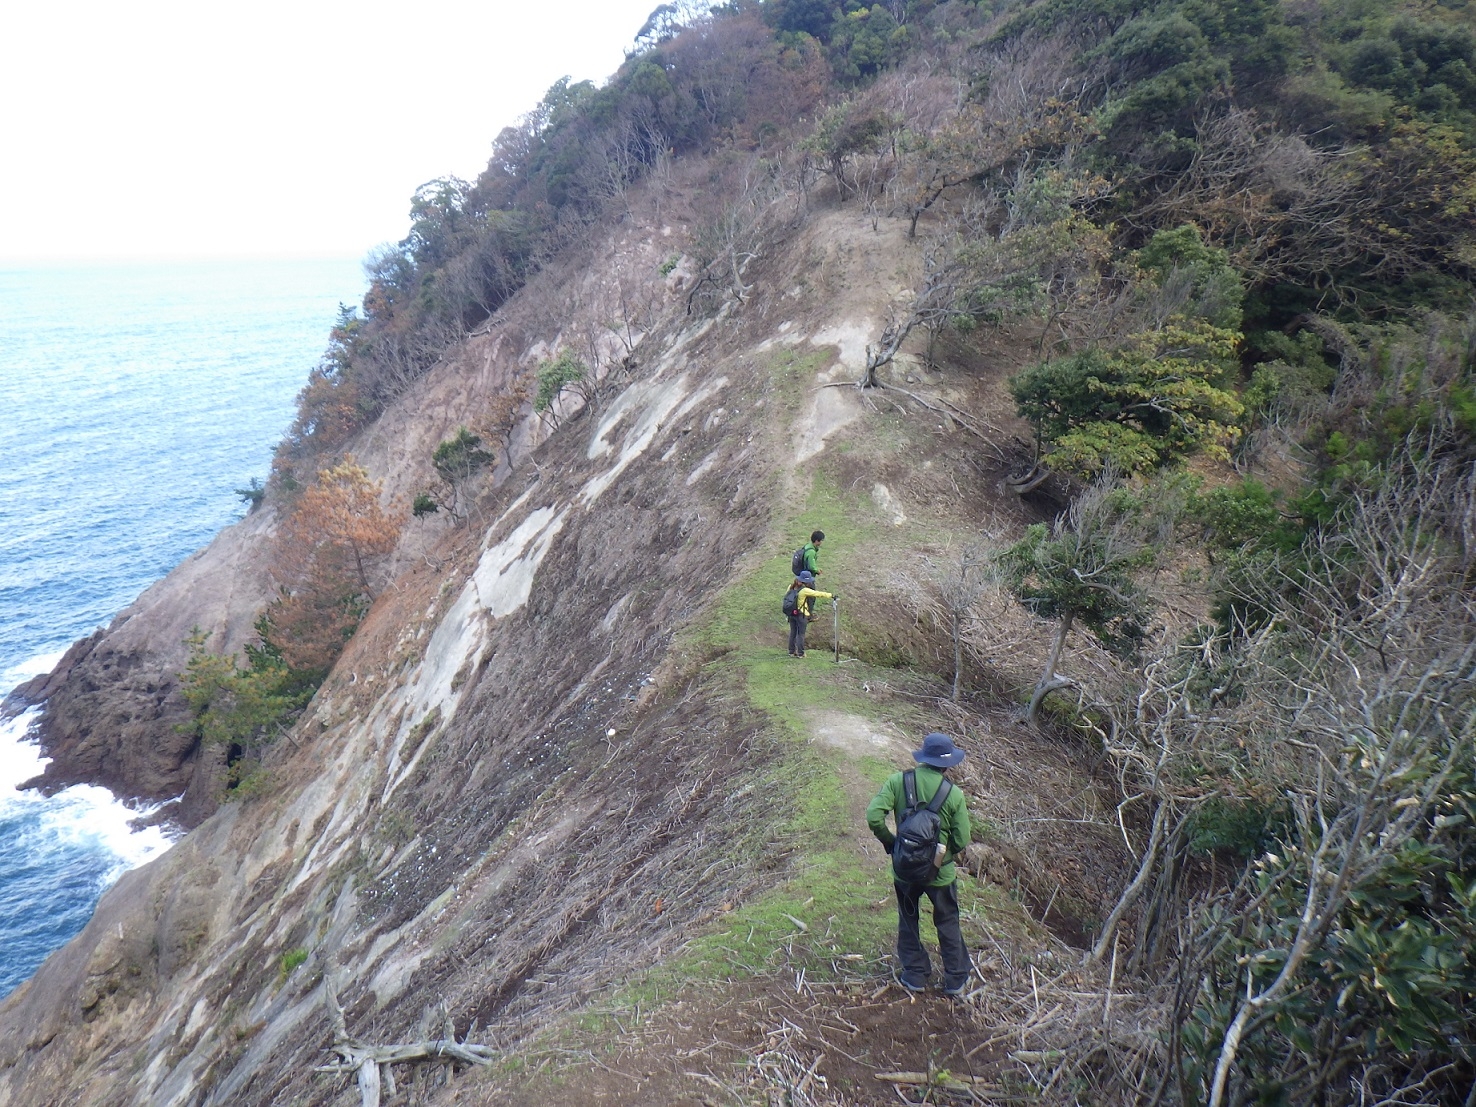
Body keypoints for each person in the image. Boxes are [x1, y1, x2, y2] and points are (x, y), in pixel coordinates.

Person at [866, 732, 973, 997]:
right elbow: (962, 838)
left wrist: (891, 843)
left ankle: (915, 974)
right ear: (947, 764)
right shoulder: (954, 794)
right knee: (947, 921)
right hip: (941, 875)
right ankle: (955, 980)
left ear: (923, 758)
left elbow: (873, 816)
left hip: (904, 871)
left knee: (908, 917)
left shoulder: (897, 781)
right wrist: (941, 860)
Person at [788, 570, 832, 657]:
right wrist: (830, 595)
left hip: (791, 614)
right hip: (801, 615)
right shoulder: (804, 590)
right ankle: (801, 653)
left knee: (793, 632)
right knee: (801, 634)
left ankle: (791, 652)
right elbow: (817, 594)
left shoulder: (791, 587)